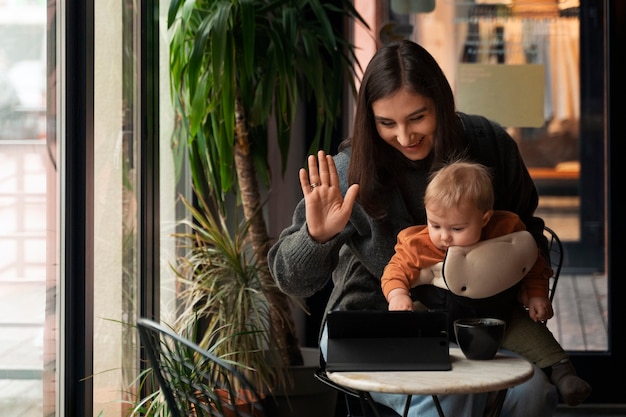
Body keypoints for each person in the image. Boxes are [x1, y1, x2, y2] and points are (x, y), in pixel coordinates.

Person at [268, 39, 558, 416]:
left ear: (440, 101)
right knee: (450, 395)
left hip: (476, 326)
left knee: (533, 392)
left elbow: (529, 229)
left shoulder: (489, 146)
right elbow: (291, 280)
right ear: (370, 119)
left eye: (418, 117)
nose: (405, 137)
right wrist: (316, 237)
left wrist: (522, 284)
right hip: (371, 325)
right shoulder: (349, 171)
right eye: (387, 123)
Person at [381, 160, 591, 406]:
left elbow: (531, 263)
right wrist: (397, 295)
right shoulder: (422, 243)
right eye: (435, 224)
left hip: (499, 318)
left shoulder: (505, 232)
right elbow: (396, 269)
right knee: (410, 329)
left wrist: (535, 295)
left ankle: (564, 375)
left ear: (484, 218)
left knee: (533, 335)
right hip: (439, 315)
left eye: (457, 228)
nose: (444, 236)